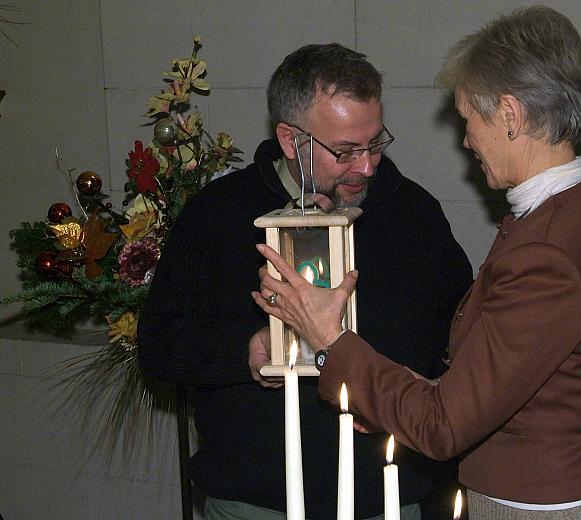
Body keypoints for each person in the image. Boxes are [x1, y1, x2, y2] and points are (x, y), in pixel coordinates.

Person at [255, 7, 581, 519]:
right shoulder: (569, 209)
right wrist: (398, 395)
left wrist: (328, 338)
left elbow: (443, 427)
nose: (465, 141)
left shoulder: (549, 248)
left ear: (509, 114)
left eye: (468, 119)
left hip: (545, 506)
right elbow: (507, 378)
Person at [138, 43, 473, 520]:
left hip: (385, 497)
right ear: (290, 140)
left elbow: (464, 339)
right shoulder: (218, 214)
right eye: (346, 150)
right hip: (255, 501)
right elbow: (160, 344)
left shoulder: (413, 215)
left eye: (375, 143)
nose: (366, 166)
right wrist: (246, 347)